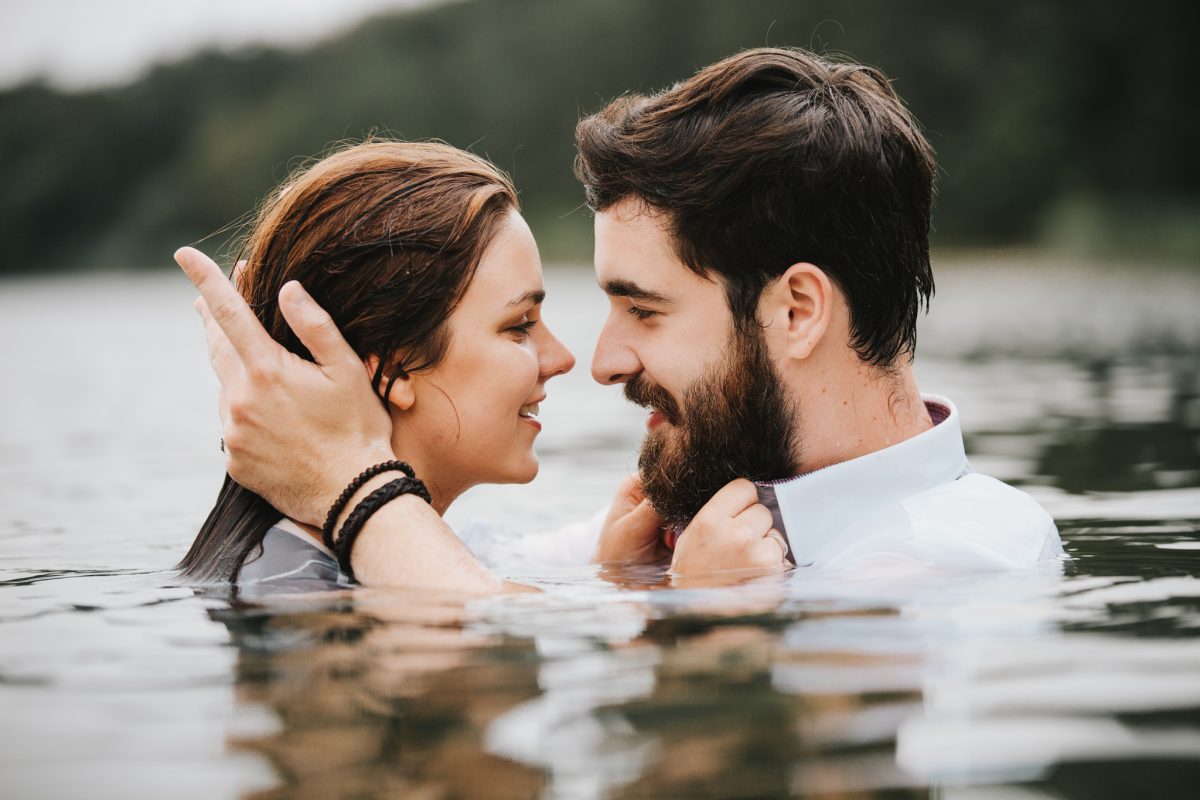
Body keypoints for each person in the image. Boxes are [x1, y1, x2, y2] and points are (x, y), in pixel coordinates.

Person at [178, 48, 1061, 592]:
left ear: (796, 310)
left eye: (642, 307)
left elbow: (477, 627)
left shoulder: (950, 558)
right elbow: (478, 580)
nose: (597, 362)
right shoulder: (684, 525)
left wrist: (347, 479)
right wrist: (640, 585)